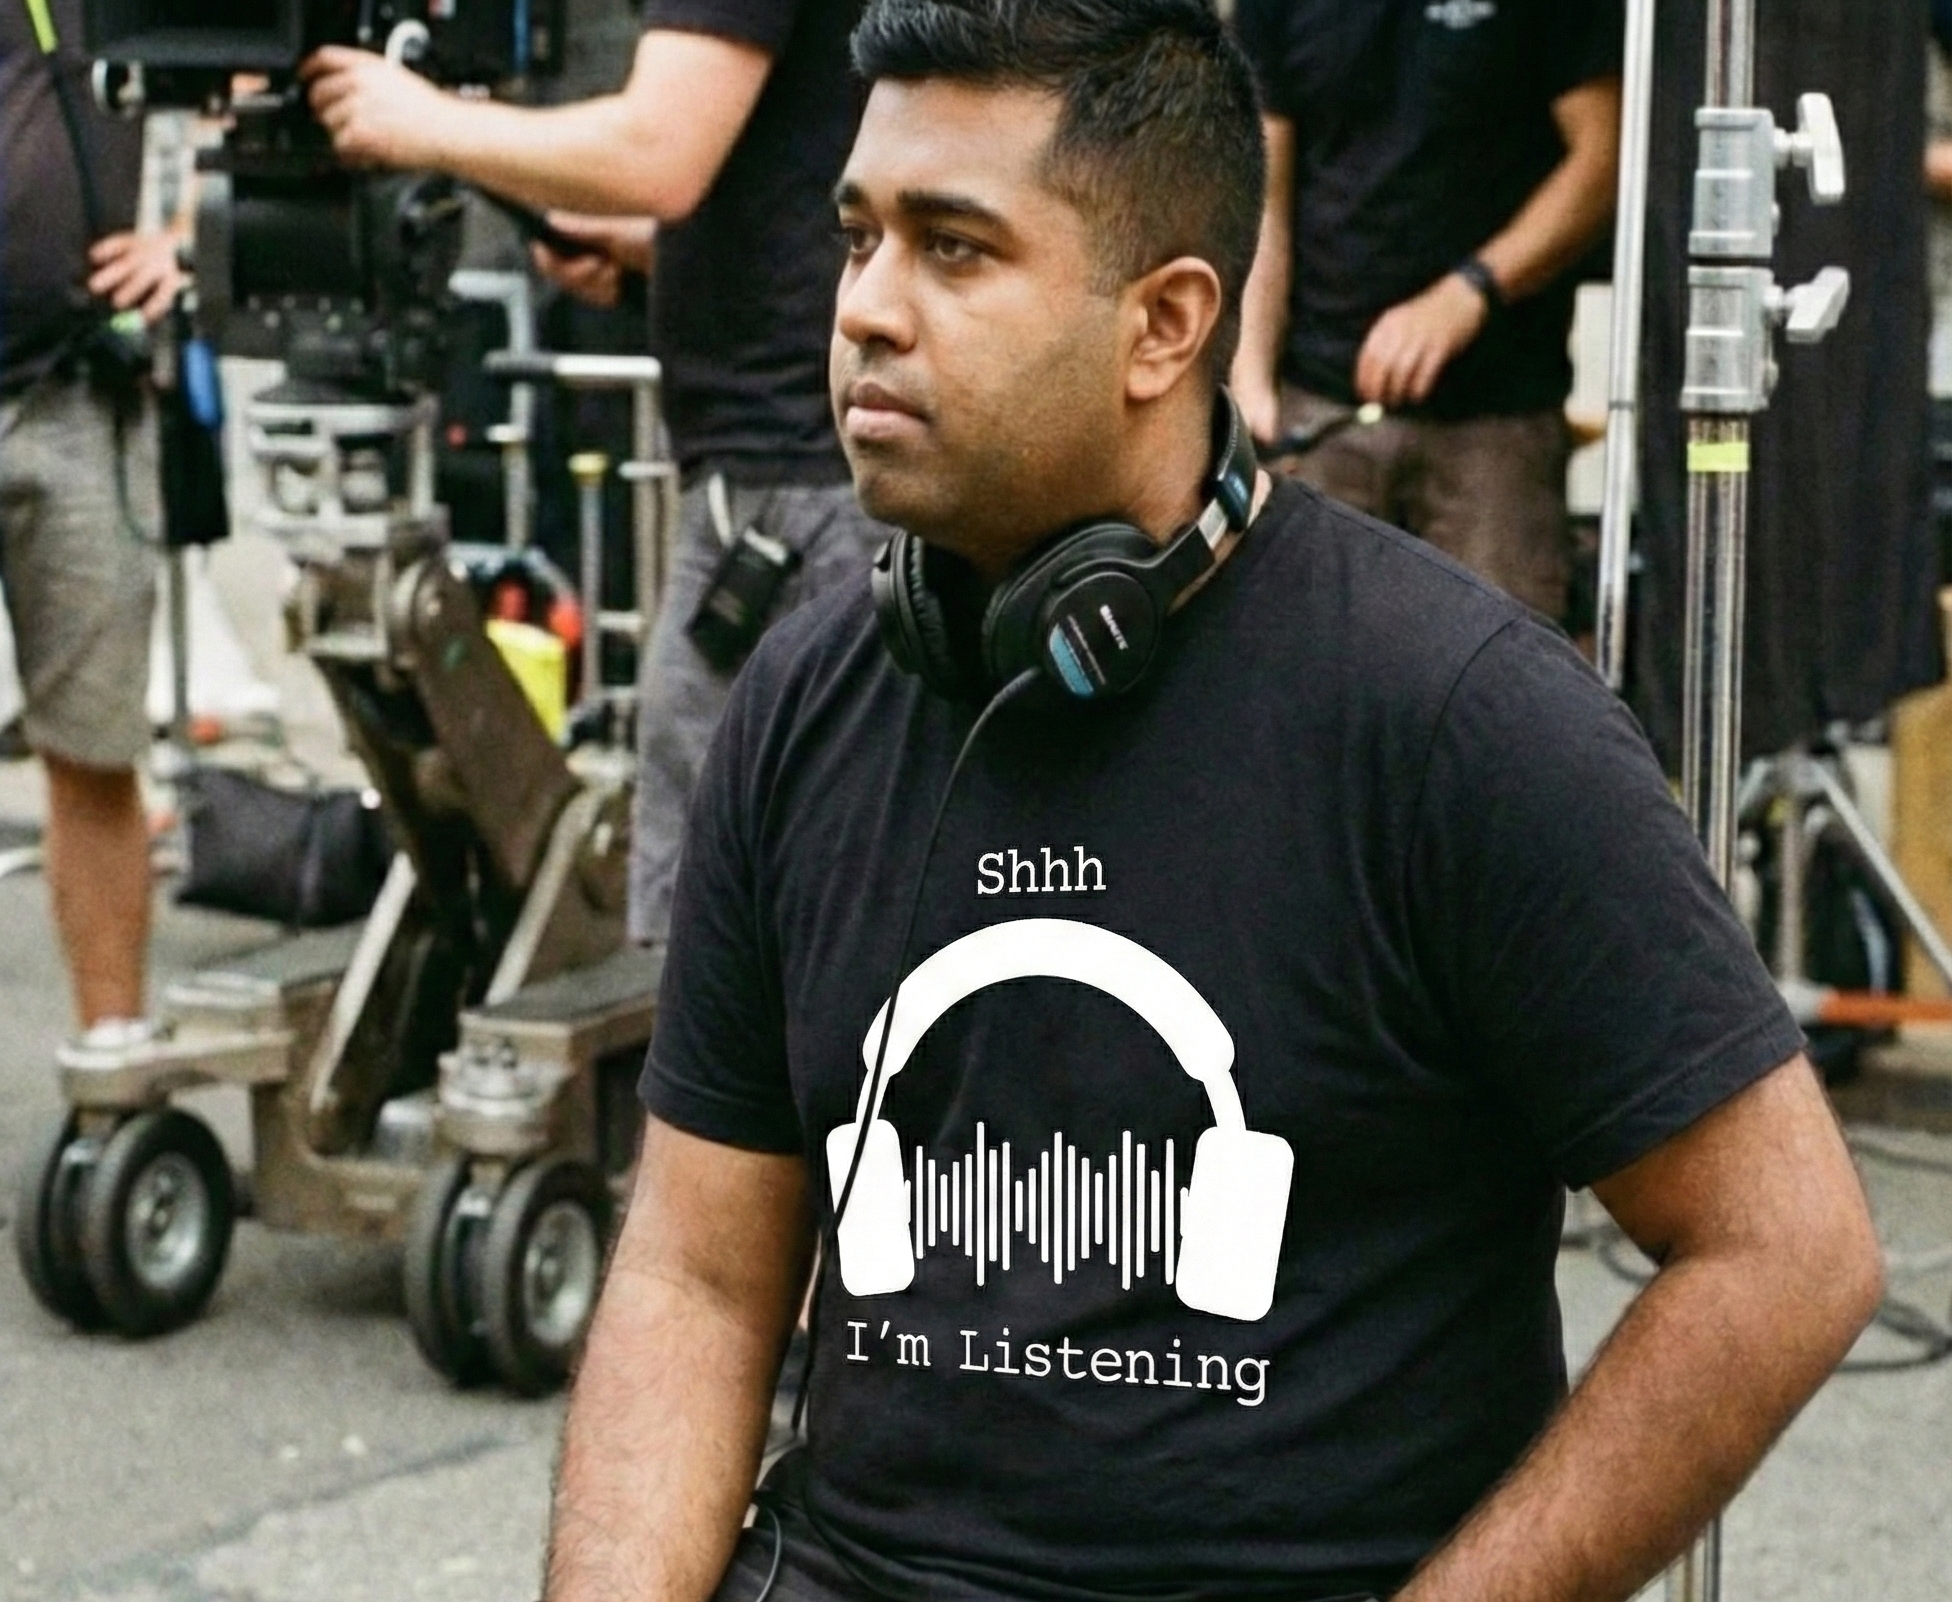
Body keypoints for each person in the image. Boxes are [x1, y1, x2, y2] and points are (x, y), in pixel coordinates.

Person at [545, 3, 1882, 1601]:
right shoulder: (806, 695)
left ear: (1168, 324)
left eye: (955, 250)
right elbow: (695, 1272)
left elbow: (1786, 1251)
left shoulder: (1459, 718)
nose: (867, 314)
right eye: (858, 240)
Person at [301, 0, 890, 946]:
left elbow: (659, 150)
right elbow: (803, 163)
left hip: (787, 491)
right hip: (802, 467)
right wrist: (651, 253)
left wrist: (415, 119)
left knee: (712, 916)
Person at [1229, 0, 1623, 621]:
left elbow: (1604, 161)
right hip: (1320, 411)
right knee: (1308, 678)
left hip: (1495, 421)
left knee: (1501, 693)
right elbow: (1262, 188)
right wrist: (1250, 380)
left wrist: (1470, 291)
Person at [1, 0, 184, 1041]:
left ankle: (113, 1074)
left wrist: (189, 234)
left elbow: (273, 73)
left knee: (93, 750)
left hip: (74, 397)